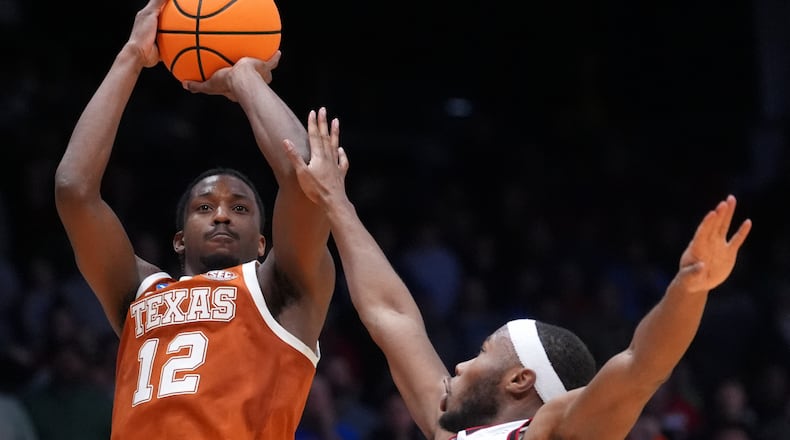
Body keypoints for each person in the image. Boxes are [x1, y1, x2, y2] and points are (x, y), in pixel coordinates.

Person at [282, 111, 752, 440]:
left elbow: (640, 366)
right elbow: (392, 315)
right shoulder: (453, 431)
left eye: (483, 353)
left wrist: (689, 286)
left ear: (520, 380)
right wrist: (334, 201)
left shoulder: (557, 431)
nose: (460, 366)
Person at [53, 0, 336, 437]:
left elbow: (307, 179)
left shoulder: (281, 290)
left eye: (240, 208)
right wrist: (131, 56)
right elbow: (74, 190)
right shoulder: (138, 292)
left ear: (263, 243)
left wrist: (244, 77)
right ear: (180, 239)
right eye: (205, 208)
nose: (222, 214)